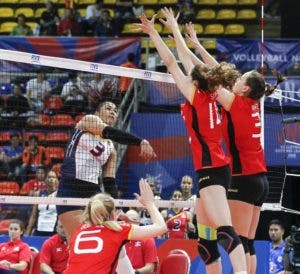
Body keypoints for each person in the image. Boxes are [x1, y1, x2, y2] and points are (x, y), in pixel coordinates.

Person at [137, 10, 247, 274]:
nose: (185, 79)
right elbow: (185, 59)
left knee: (226, 232)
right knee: (206, 245)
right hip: (211, 170)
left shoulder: (199, 99)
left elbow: (174, 62)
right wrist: (174, 28)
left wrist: (154, 34)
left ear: (195, 82)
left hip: (213, 171)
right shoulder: (213, 97)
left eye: (190, 77)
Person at [184, 20, 284, 274]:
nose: (236, 79)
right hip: (260, 180)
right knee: (247, 241)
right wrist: (196, 44)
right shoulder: (250, 104)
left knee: (236, 240)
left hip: (243, 177)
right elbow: (221, 72)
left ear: (246, 88)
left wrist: (186, 50)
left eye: (241, 79)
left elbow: (211, 77)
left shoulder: (237, 104)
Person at [56, 92, 156, 241]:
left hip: (94, 193)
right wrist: (140, 142)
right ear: (97, 113)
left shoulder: (111, 149)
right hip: (71, 189)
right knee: (78, 242)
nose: (113, 112)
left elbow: (109, 182)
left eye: (115, 111)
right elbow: (110, 132)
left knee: (106, 241)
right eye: (108, 108)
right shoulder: (88, 121)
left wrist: (116, 207)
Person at [63, 179, 167, 274]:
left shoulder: (79, 231)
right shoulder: (117, 231)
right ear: (113, 214)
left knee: (119, 250)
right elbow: (161, 227)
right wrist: (149, 203)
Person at [25, 170, 59, 236]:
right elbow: (34, 215)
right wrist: (28, 233)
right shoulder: (38, 193)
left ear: (57, 180)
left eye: (53, 177)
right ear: (45, 180)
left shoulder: (60, 195)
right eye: (49, 177)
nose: (51, 179)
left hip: (54, 231)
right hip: (39, 230)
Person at [124, 209, 158, 274]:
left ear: (138, 223)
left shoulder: (147, 239)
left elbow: (150, 268)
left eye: (131, 221)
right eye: (126, 222)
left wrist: (133, 272)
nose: (128, 224)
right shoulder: (120, 239)